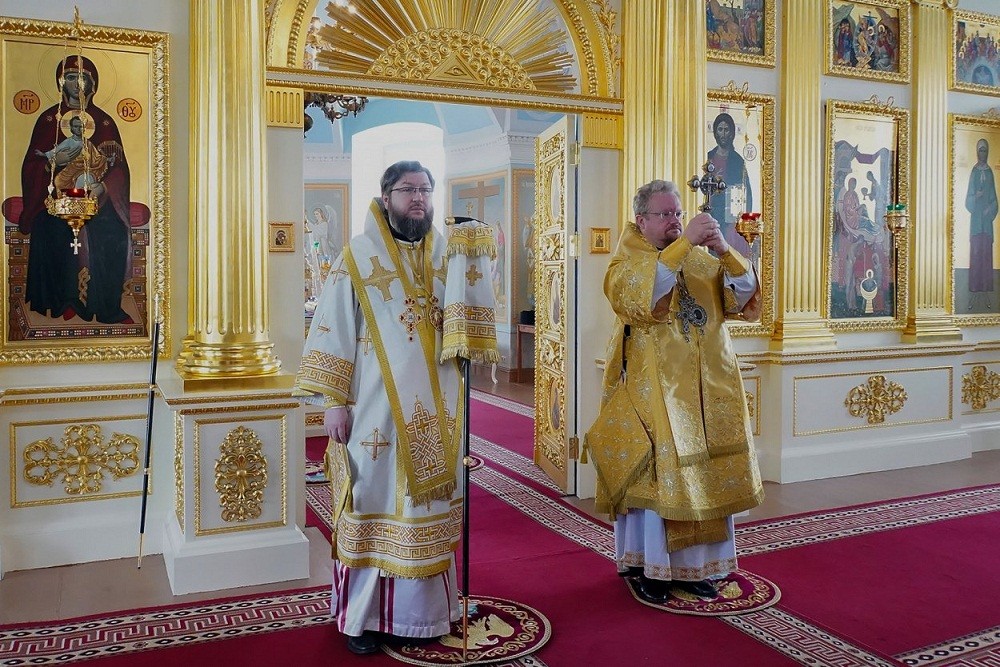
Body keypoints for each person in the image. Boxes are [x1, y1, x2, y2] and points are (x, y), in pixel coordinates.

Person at [294, 161, 467, 655]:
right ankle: (363, 618)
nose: (419, 198)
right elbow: (333, 328)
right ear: (386, 196)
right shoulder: (358, 255)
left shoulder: (447, 254)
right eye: (408, 189)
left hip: (437, 409)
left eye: (425, 189)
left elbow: (466, 321)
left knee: (426, 508)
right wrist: (333, 403)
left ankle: (425, 616)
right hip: (375, 410)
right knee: (371, 503)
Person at [594, 179, 764, 604]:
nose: (674, 220)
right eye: (665, 214)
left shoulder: (700, 260)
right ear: (642, 220)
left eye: (677, 213)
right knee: (660, 481)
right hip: (656, 396)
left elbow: (743, 296)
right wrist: (685, 242)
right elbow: (641, 297)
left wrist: (724, 250)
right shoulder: (627, 262)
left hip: (710, 389)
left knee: (706, 476)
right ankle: (649, 566)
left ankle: (697, 568)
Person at [18, 55, 132, 324]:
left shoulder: (104, 122)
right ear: (61, 82)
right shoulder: (49, 120)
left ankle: (104, 306)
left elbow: (119, 168)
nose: (77, 83)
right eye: (71, 77)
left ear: (92, 83)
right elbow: (31, 165)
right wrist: (52, 163)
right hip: (56, 198)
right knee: (50, 227)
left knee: (111, 231)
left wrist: (103, 186)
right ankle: (62, 302)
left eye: (83, 77)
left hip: (97, 199)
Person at [707, 112, 755, 262]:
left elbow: (746, 195)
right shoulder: (708, 157)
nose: (723, 134)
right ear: (715, 132)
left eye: (726, 130)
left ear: (732, 133)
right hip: (711, 214)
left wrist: (743, 223)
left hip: (730, 219)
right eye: (720, 129)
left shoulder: (738, 161)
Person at [966, 138, 999, 310]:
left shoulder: (990, 173)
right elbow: (968, 200)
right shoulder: (974, 171)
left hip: (986, 223)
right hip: (976, 224)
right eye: (980, 150)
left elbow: (994, 198)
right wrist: (976, 197)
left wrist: (990, 209)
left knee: (986, 256)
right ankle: (974, 292)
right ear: (977, 153)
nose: (983, 154)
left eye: (985, 151)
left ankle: (985, 292)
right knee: (976, 254)